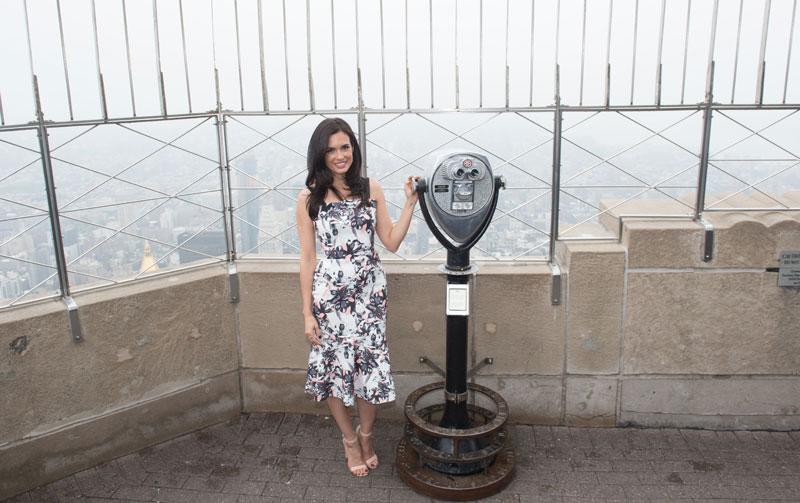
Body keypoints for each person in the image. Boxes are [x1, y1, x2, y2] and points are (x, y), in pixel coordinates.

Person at [296, 118, 418, 477]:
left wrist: (409, 203)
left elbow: (391, 242)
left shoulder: (371, 188)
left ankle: (367, 435)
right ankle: (349, 439)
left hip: (368, 295)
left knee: (368, 369)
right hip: (329, 296)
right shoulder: (309, 198)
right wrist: (307, 313)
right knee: (333, 369)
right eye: (331, 149)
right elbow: (307, 258)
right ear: (320, 154)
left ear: (354, 149)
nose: (339, 155)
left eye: (345, 147)